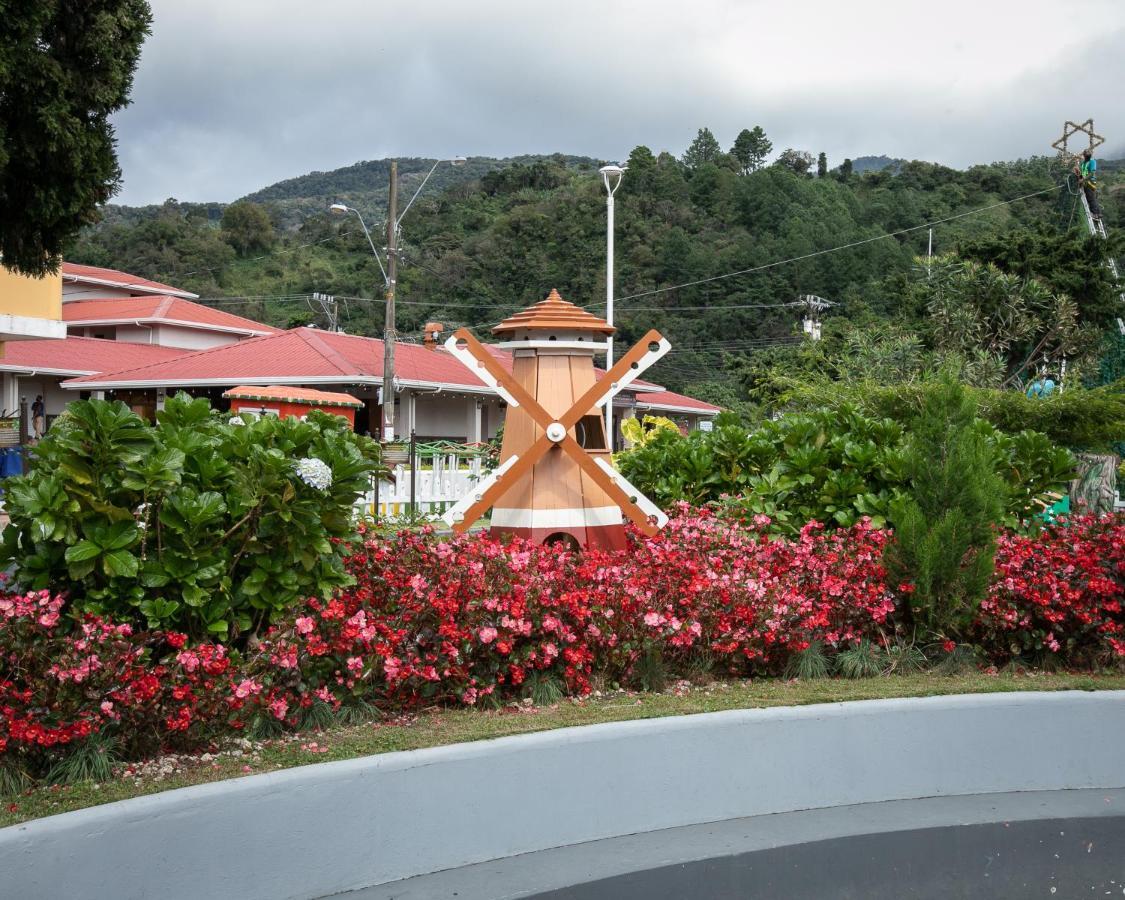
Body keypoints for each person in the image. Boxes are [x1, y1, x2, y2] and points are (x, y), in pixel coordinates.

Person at [1075, 148, 1101, 220]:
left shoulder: (1092, 162)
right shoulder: (1083, 163)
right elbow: (1082, 171)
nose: (1086, 156)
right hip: (1084, 182)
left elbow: (1092, 172)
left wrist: (1083, 179)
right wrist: (1077, 169)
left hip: (1090, 182)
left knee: (1091, 198)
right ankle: (1097, 212)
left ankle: (1096, 214)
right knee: (1089, 198)